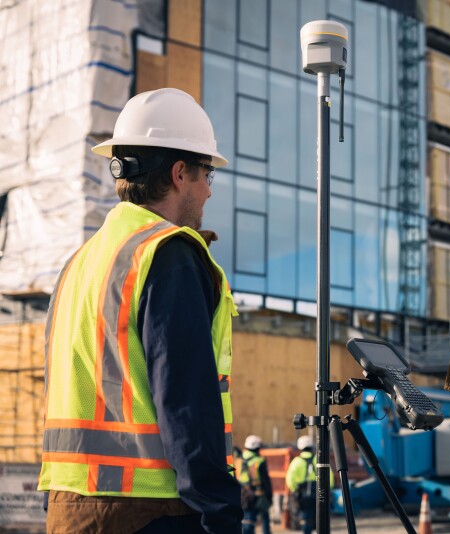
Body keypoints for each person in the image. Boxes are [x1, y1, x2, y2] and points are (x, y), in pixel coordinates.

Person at [38, 88, 243, 533]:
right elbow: (185, 401)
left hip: (68, 511)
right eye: (207, 173)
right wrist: (221, 512)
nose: (209, 189)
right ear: (178, 173)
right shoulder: (166, 254)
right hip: (151, 512)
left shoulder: (80, 263)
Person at [238, 435, 273, 534]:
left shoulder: (239, 459)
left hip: (244, 495)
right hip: (259, 495)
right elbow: (266, 481)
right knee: (265, 519)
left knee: (248, 521)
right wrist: (269, 496)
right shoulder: (260, 461)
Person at [285, 436, 317, 534]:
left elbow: (290, 479)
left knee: (305, 515)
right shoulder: (318, 459)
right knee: (317, 515)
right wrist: (329, 489)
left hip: (301, 493)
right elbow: (329, 476)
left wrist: (294, 490)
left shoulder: (296, 462)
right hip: (317, 491)